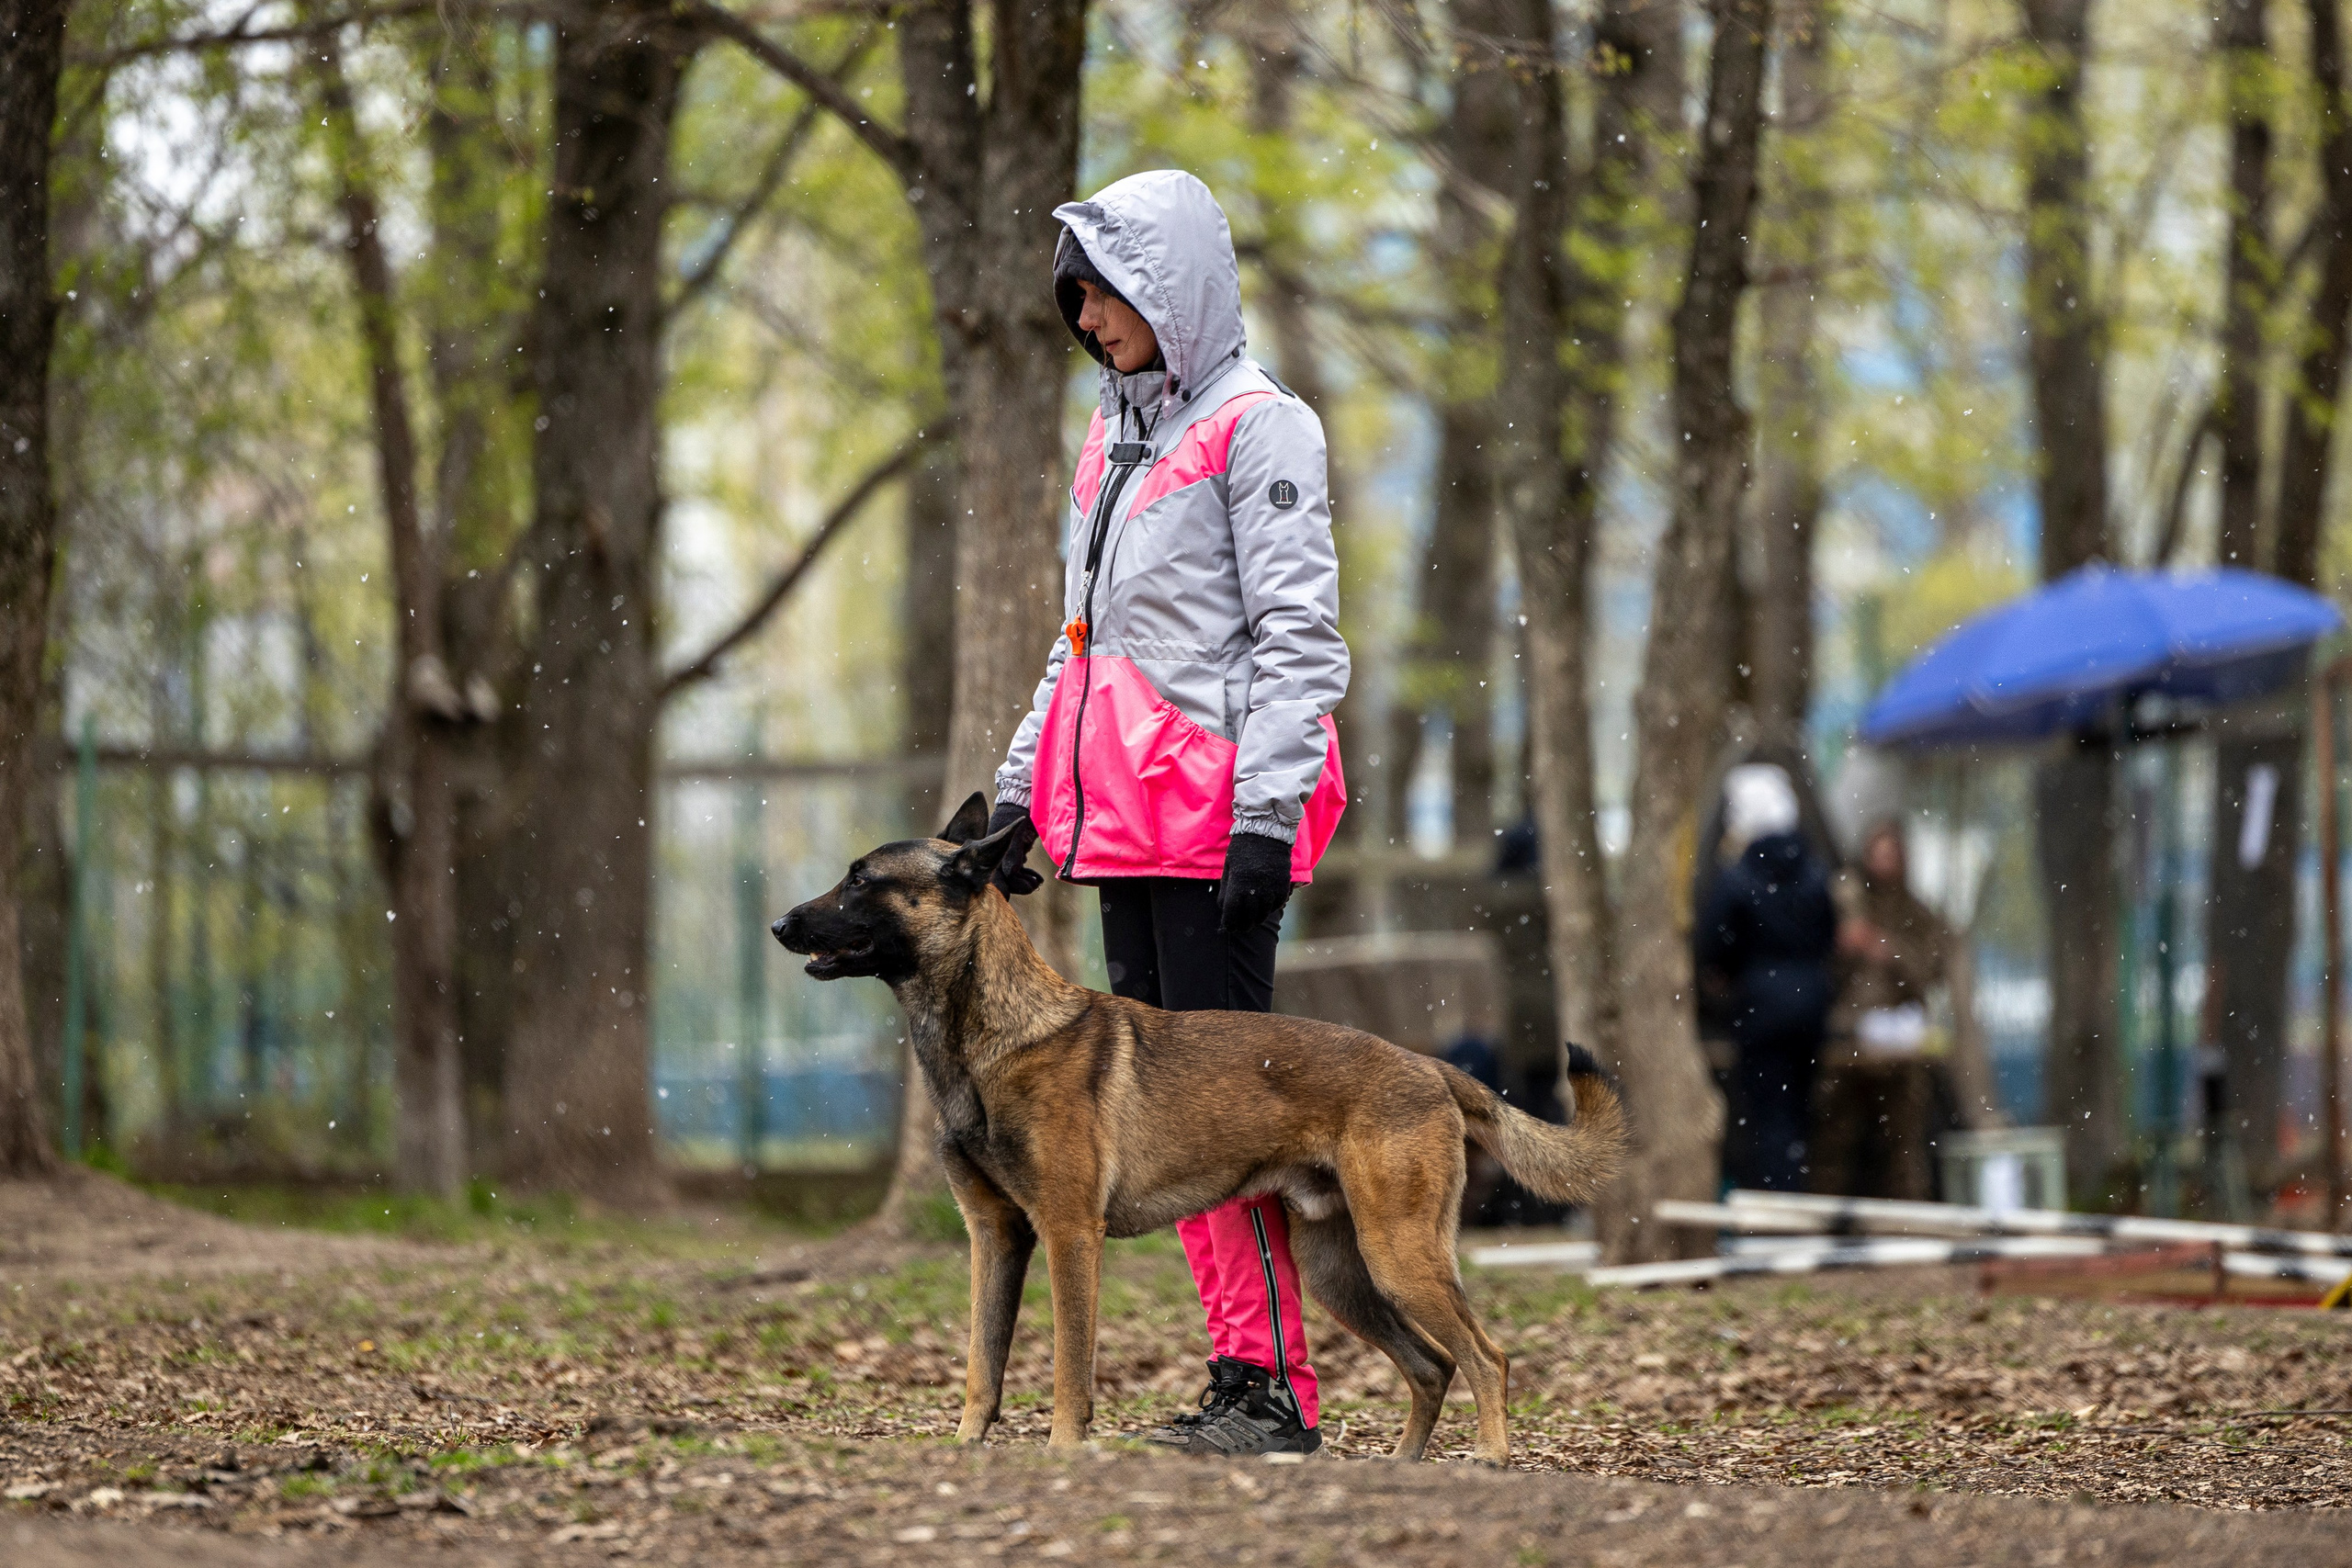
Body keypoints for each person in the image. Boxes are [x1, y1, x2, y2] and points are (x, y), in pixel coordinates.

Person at [982, 170, 1349, 1458]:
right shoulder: (1113, 438)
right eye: (1073, 297)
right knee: (1163, 1130)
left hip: (1216, 827)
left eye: (1100, 292)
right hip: (1126, 826)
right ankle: (1238, 1373)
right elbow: (1080, 644)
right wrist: (1019, 796)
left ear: (1167, 288)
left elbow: (1300, 639)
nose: (1084, 317)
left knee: (1238, 1125)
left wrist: (1267, 815)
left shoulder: (1262, 427)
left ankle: (1274, 1390)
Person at [1693, 763, 1838, 1192]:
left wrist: (1729, 974)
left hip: (1762, 1008)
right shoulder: (1814, 870)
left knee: (1767, 1114)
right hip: (1810, 1005)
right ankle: (1792, 1192)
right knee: (1798, 1111)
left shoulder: (1739, 876)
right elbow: (1828, 935)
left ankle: (1777, 1200)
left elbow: (1714, 943)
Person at [1815, 818, 1955, 1200]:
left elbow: (1929, 971)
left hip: (1899, 1042)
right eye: (1876, 854)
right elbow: (1822, 973)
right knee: (1834, 1138)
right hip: (1848, 1038)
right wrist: (1844, 946)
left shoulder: (1917, 914)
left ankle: (1906, 1216)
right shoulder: (1846, 905)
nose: (1882, 863)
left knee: (1903, 1142)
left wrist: (1889, 950)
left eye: (1890, 854)